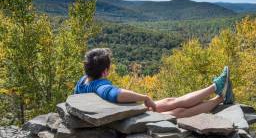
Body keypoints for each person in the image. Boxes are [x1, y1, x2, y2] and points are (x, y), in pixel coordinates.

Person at [74, 48, 234, 118]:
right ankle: (220, 98)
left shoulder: (82, 82)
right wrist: (144, 97)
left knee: (170, 101)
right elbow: (116, 94)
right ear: (104, 72)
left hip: (130, 113)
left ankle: (216, 88)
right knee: (179, 112)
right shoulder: (99, 86)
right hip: (130, 121)